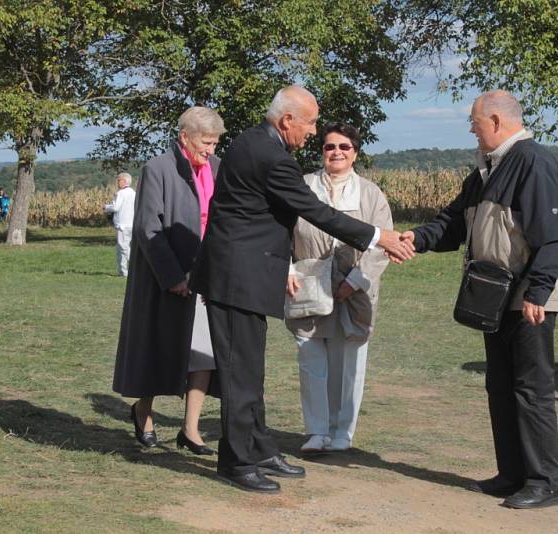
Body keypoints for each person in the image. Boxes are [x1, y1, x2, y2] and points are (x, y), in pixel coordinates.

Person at [190, 85, 414, 493]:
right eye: (310, 123)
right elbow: (315, 212)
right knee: (241, 372)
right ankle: (237, 461)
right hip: (237, 277)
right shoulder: (272, 156)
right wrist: (378, 236)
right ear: (288, 119)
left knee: (249, 369)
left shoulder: (254, 140)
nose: (312, 132)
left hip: (243, 275)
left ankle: (258, 447)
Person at [402, 90, 558, 509]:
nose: (472, 130)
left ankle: (544, 482)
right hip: (495, 296)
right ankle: (512, 474)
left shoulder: (533, 162)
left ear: (496, 121)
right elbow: (453, 223)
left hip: (528, 297)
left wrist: (538, 291)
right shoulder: (484, 171)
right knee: (500, 386)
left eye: (475, 123)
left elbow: (553, 237)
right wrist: (414, 240)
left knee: (531, 389)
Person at [112, 106, 226, 457]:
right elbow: (149, 228)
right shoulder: (158, 169)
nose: (210, 150)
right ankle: (143, 412)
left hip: (207, 275)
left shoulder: (218, 168)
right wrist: (172, 276)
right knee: (158, 348)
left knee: (205, 352)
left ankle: (190, 429)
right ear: (184, 137)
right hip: (166, 279)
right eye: (206, 142)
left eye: (215, 143)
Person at [285, 123, 392, 454]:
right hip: (309, 284)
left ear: (355, 152)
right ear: (322, 151)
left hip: (355, 291)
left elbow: (382, 243)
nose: (337, 153)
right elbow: (279, 233)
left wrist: (354, 281)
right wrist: (285, 269)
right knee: (312, 359)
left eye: (344, 147)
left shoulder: (370, 193)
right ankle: (316, 430)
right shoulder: (302, 187)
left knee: (349, 363)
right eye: (330, 147)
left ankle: (342, 431)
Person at [104, 173, 136, 277]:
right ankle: (123, 271)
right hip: (131, 224)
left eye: (119, 180)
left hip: (122, 225)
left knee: (123, 248)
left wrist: (106, 207)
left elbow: (116, 207)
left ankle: (127, 270)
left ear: (125, 181)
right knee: (126, 247)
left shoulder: (121, 193)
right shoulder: (133, 193)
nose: (117, 182)